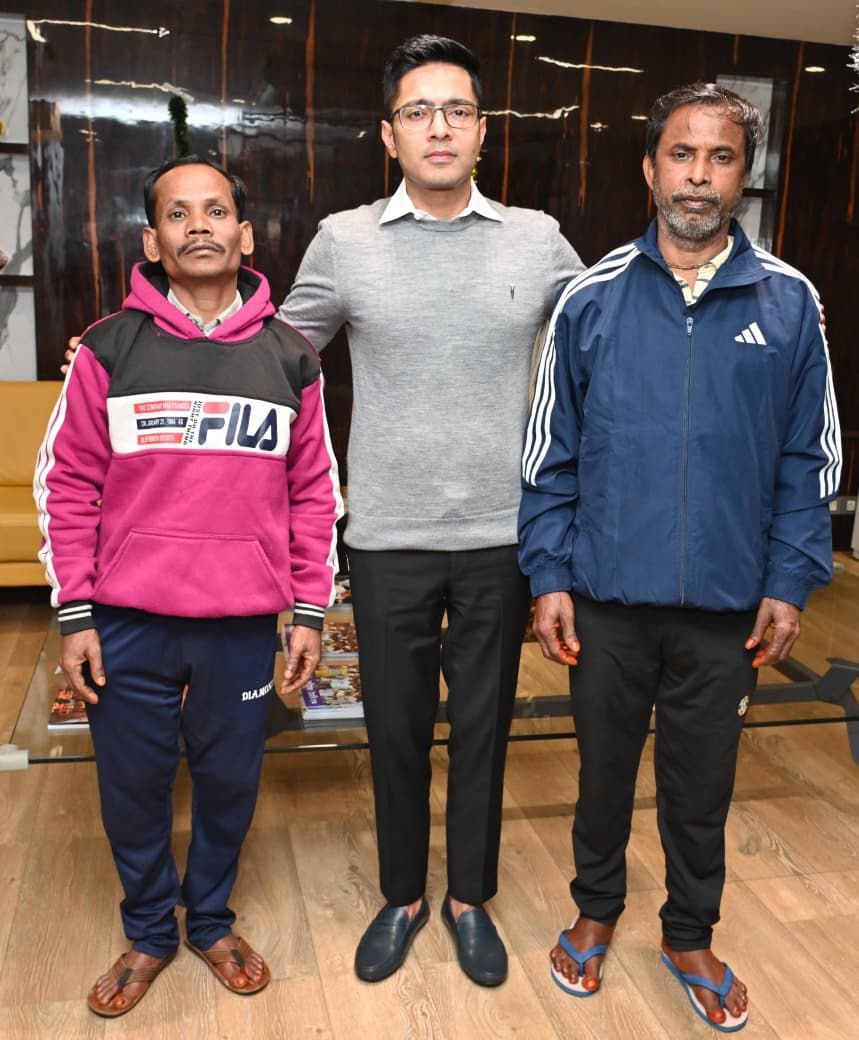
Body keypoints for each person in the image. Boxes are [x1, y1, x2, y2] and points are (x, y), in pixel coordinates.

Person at [518, 82, 840, 1031]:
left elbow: (809, 457)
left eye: (721, 157)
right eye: (682, 155)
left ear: (745, 175)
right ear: (649, 167)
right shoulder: (590, 298)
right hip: (607, 599)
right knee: (601, 775)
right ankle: (594, 910)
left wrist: (790, 578)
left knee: (701, 786)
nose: (699, 176)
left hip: (727, 608)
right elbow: (548, 455)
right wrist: (548, 573)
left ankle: (688, 933)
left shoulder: (788, 301)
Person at [281, 35, 584, 986]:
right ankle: (403, 895)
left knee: (485, 731)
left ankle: (469, 901)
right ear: (389, 135)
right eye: (418, 112)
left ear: (482, 131)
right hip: (386, 537)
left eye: (456, 110)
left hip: (502, 535)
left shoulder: (536, 238)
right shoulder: (345, 240)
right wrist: (150, 344)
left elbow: (608, 339)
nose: (439, 127)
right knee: (396, 730)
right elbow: (275, 356)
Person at [36, 155, 342, 1018]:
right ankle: (148, 932)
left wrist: (308, 609)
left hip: (240, 625)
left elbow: (314, 492)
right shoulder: (109, 347)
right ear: (152, 241)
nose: (198, 225)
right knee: (132, 786)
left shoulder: (291, 356)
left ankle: (209, 921)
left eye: (215, 211)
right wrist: (75, 612)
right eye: (178, 213)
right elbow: (67, 484)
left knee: (229, 782)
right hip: (126, 621)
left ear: (245, 235)